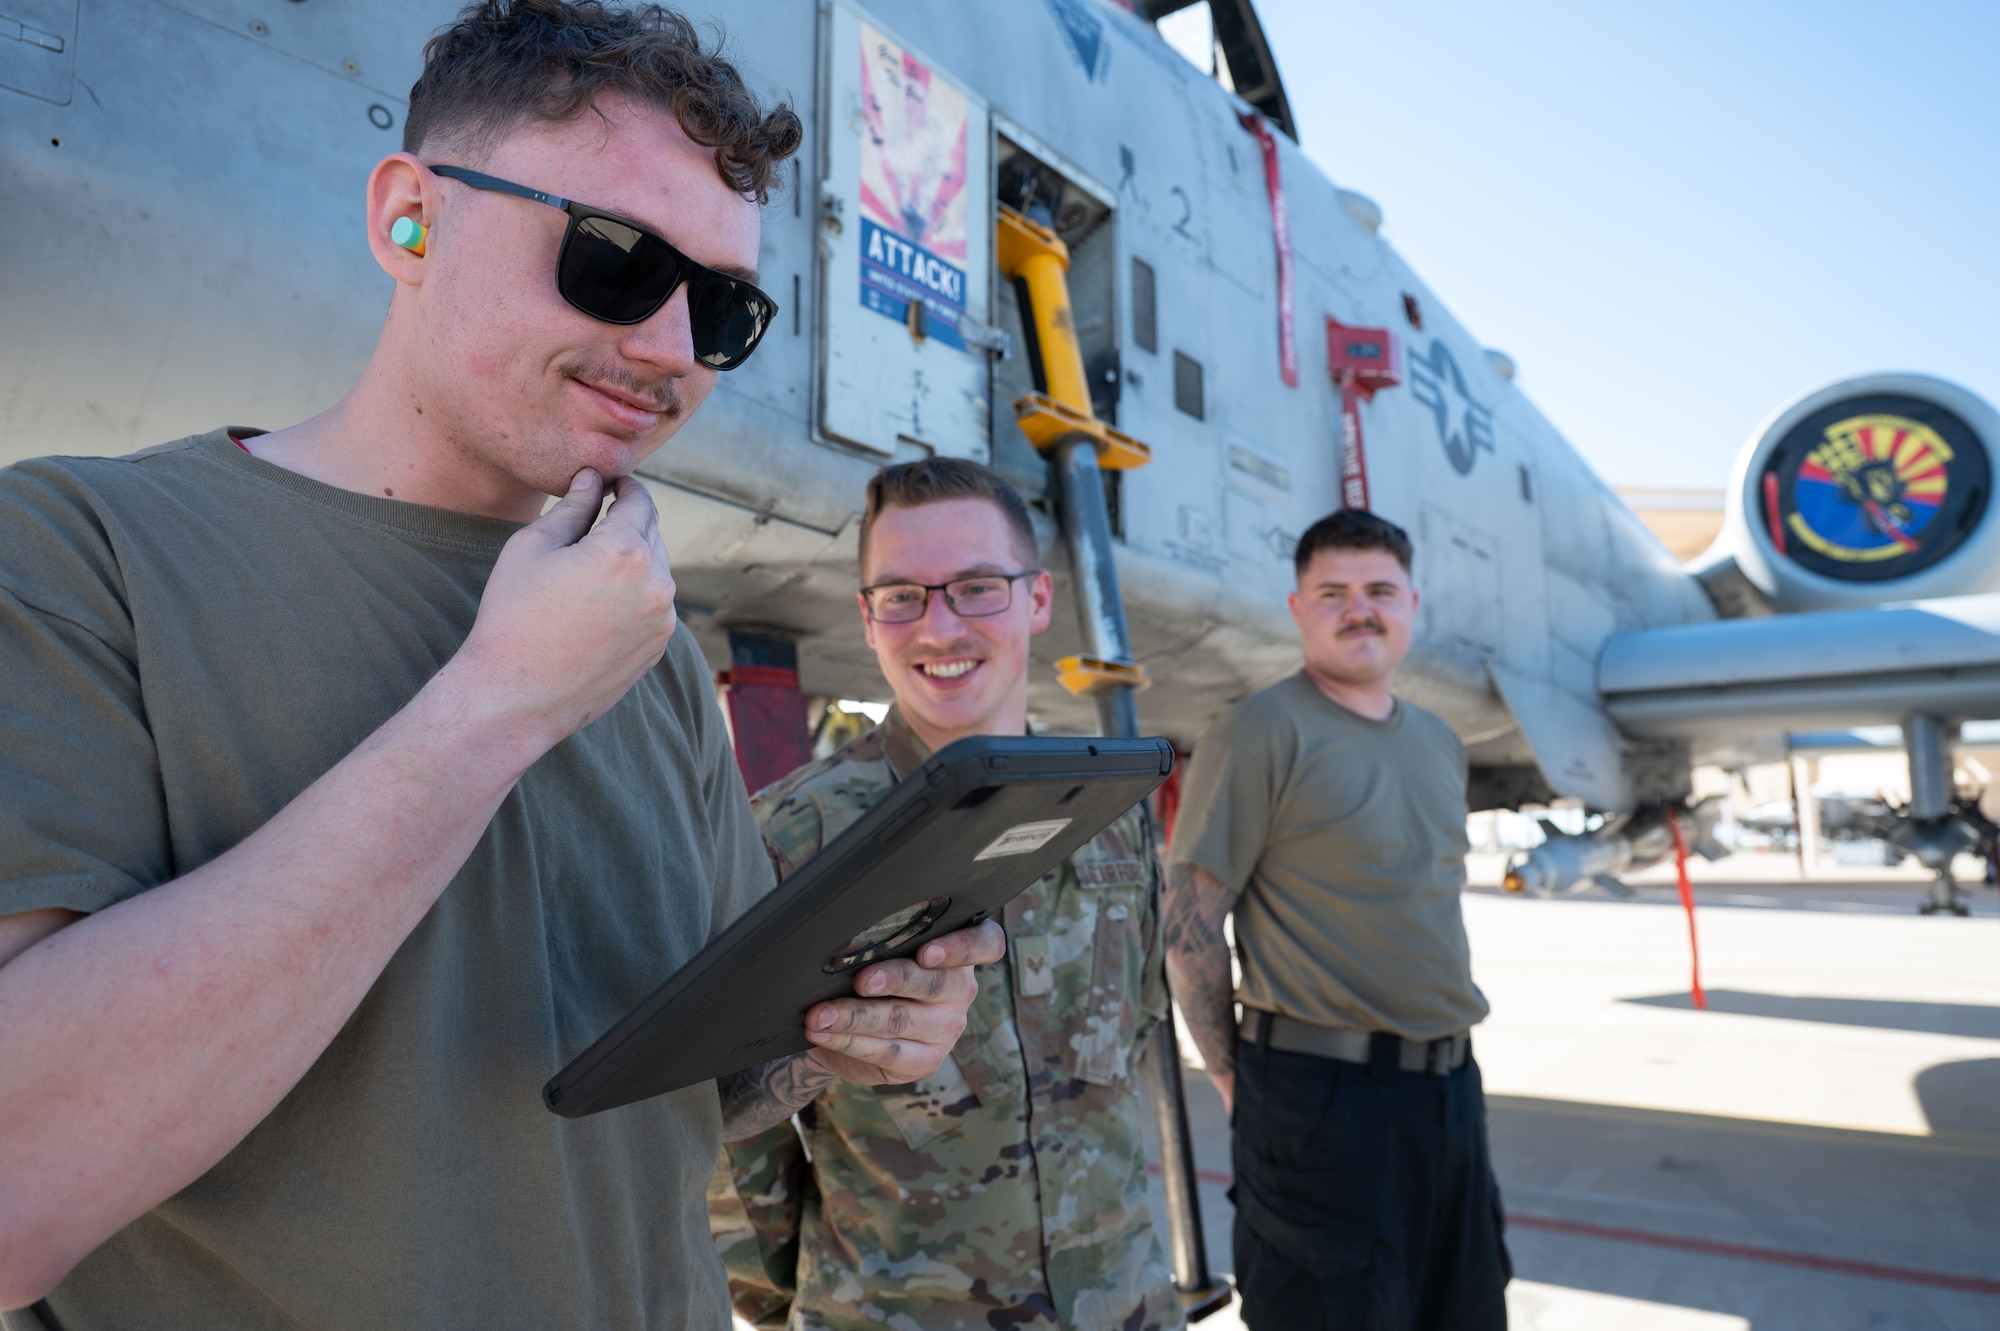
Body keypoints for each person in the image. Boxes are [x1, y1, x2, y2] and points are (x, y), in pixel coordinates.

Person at [0, 5, 1003, 1328]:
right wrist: (493, 706)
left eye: (723, 308)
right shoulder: (79, 553)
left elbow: (691, 1082)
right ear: (409, 217)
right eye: (611, 260)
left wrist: (845, 1033)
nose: (667, 347)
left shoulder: (634, 632)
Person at [707, 459, 1184, 1331]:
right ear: (867, 613)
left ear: (1037, 600)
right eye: (902, 595)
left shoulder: (1111, 810)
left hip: (1124, 1303)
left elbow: (1141, 1030)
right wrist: (789, 1307)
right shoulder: (789, 838)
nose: (939, 625)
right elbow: (730, 1133)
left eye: (975, 587)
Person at [1162, 509, 1509, 1330]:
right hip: (1320, 1098)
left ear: (1412, 603)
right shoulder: (1258, 731)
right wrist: (1232, 1079)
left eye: (1380, 589)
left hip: (1452, 1091)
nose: (1360, 608)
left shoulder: (1438, 740)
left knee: (1465, 1312)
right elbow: (1189, 930)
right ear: (1297, 608)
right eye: (1334, 592)